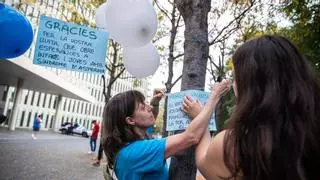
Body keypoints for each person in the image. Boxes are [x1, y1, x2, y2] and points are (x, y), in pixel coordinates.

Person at [183, 35, 320, 180]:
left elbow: (204, 161)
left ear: (248, 86)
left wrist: (201, 116)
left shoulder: (235, 145)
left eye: (236, 77)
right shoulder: (311, 134)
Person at [102, 84, 230, 180]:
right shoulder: (136, 152)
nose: (150, 107)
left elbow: (150, 122)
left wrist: (155, 103)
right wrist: (214, 97)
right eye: (143, 107)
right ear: (130, 120)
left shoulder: (133, 146)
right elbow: (190, 137)